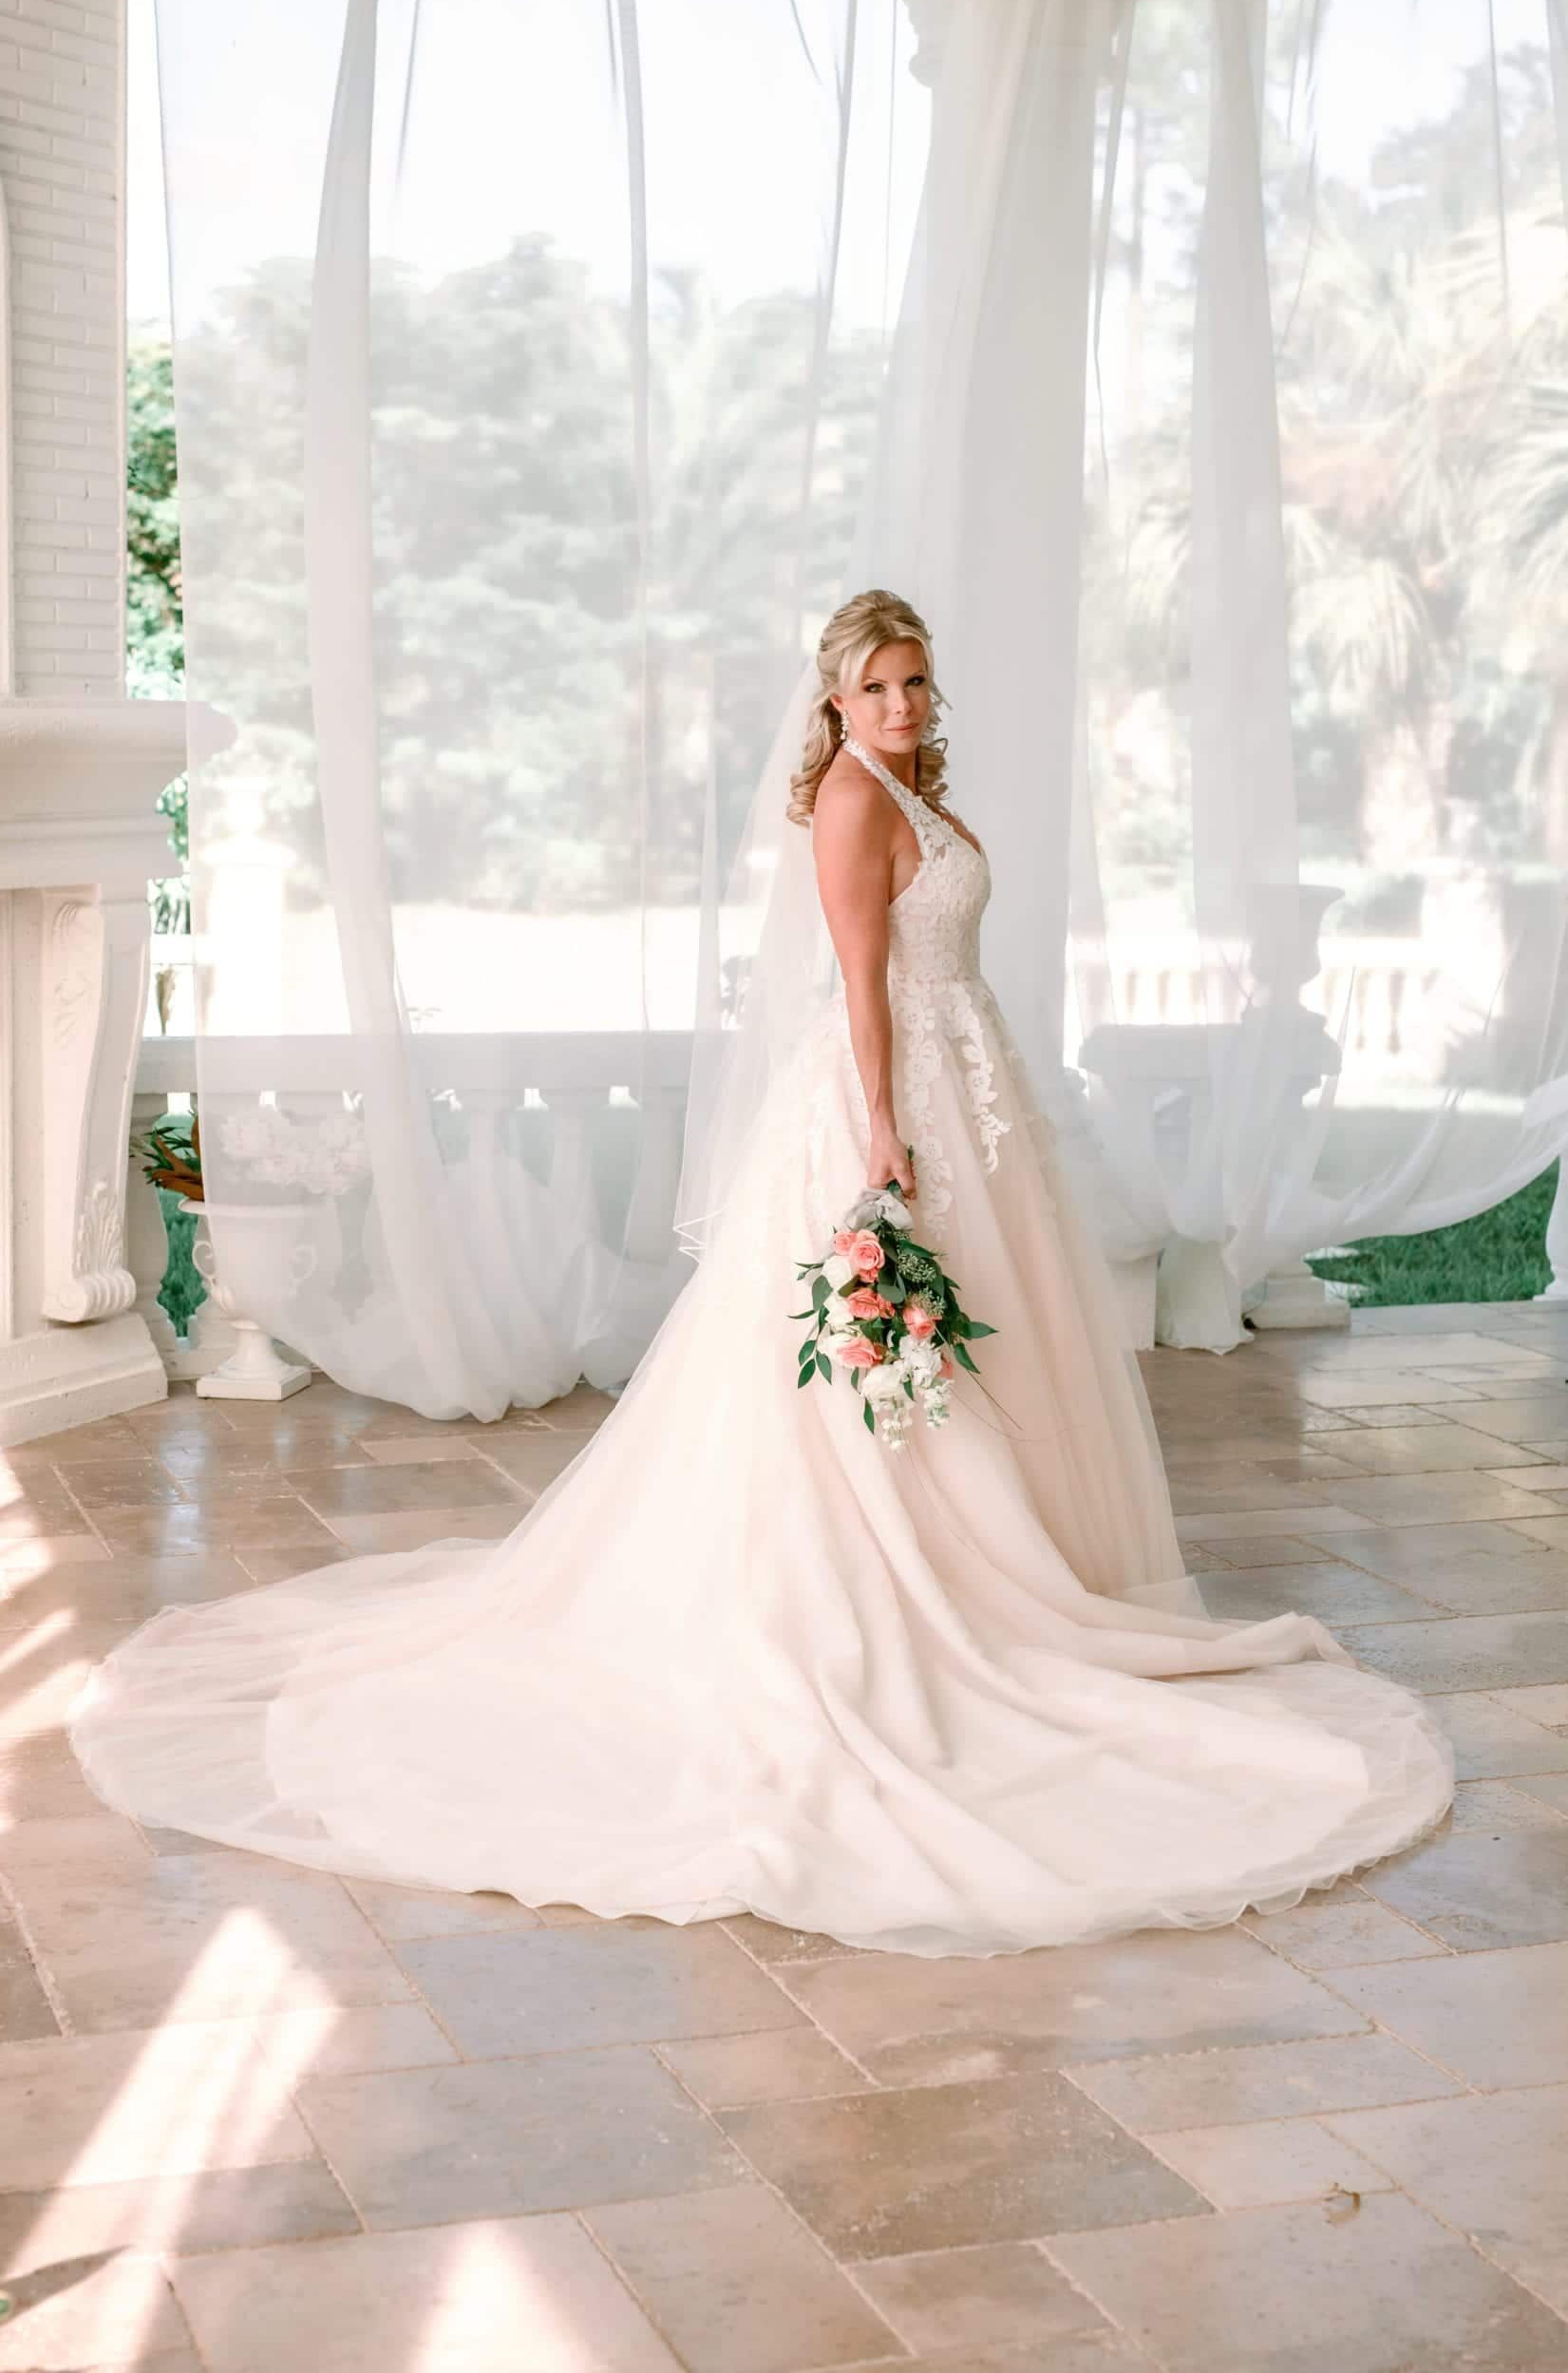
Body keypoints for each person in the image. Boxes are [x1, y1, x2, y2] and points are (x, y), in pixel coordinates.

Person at [70, 589, 1454, 1959]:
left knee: (989, 1363)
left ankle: (997, 1580)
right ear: (837, 703)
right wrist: (883, 1138)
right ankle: (886, 1605)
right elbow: (862, 985)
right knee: (880, 1382)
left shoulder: (903, 792)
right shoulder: (855, 803)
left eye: (918, 685)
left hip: (964, 1088)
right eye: (880, 689)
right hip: (894, 1102)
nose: (905, 709)